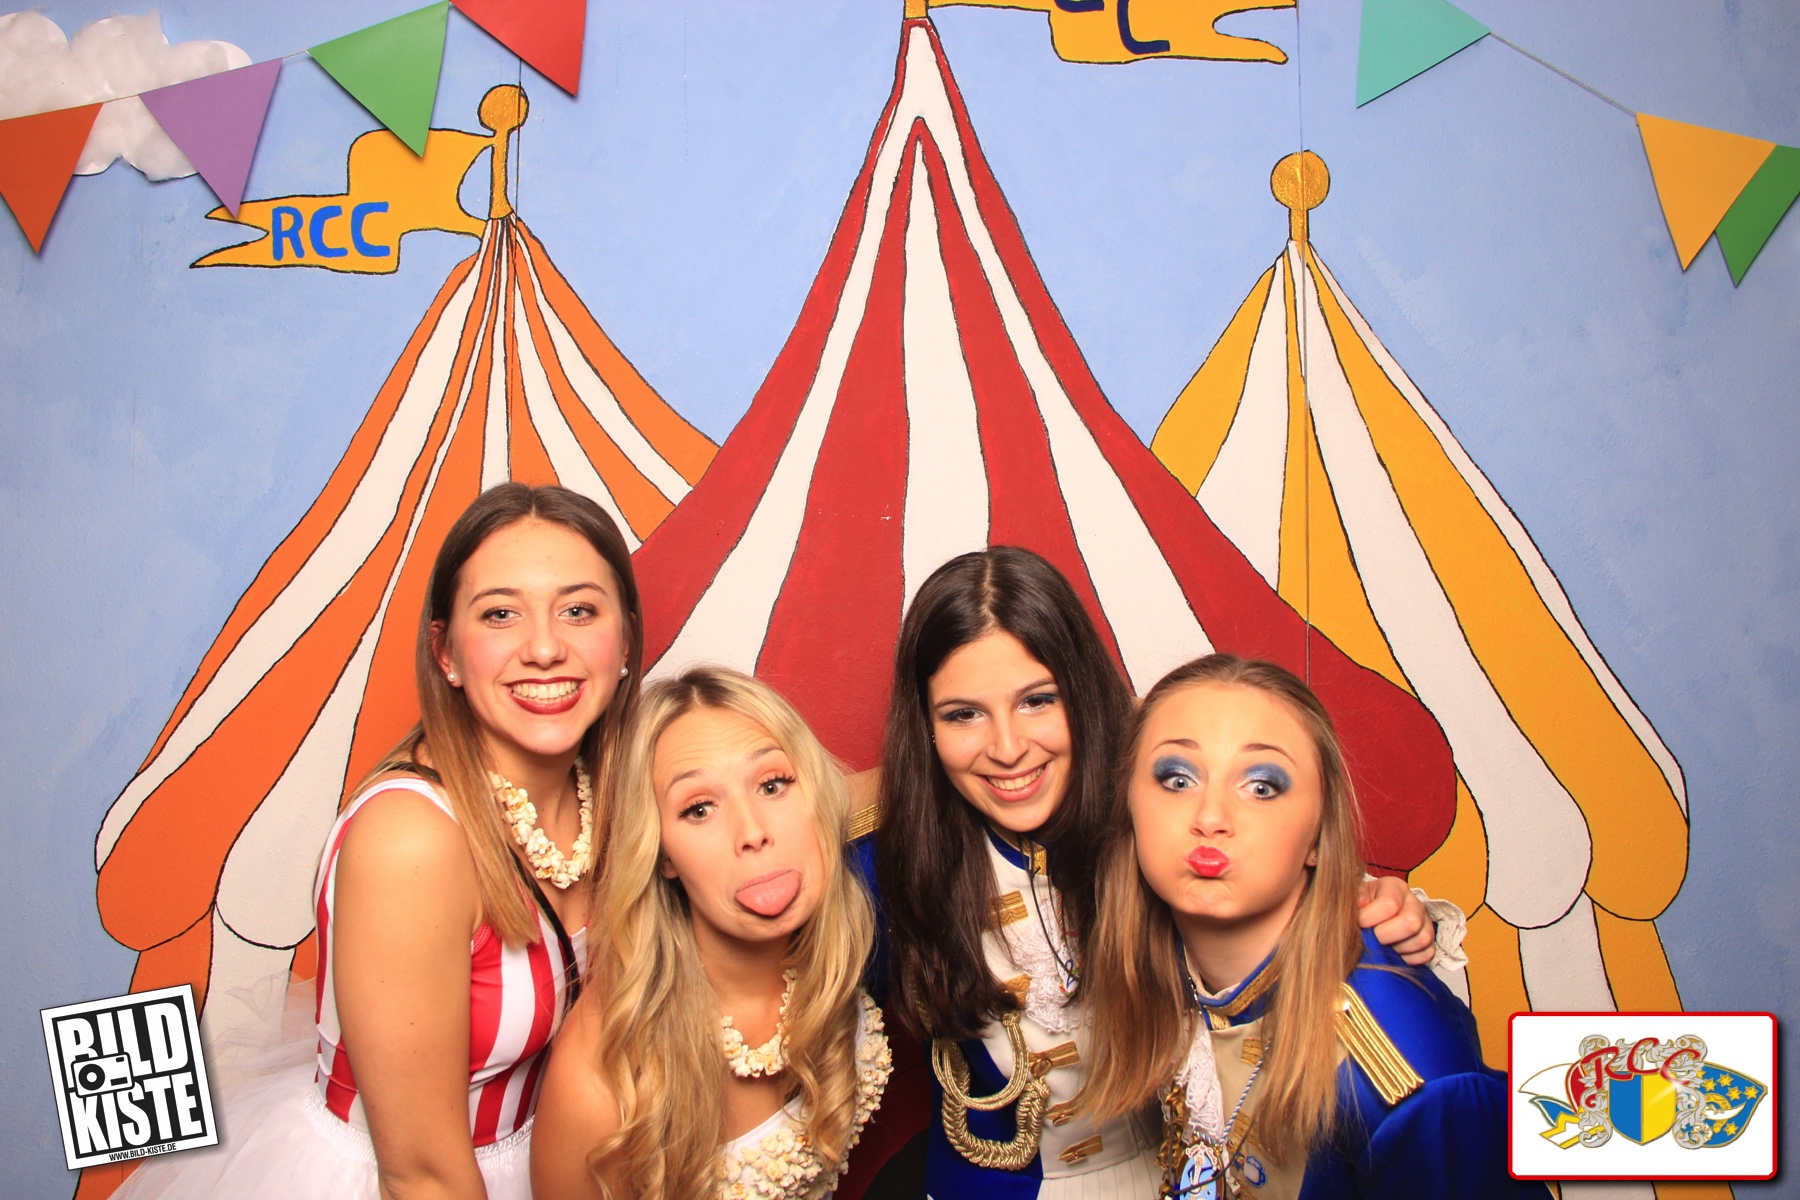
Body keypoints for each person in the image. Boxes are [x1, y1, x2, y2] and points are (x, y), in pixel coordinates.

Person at [118, 482, 642, 1200]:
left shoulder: (620, 798)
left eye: (578, 610)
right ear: (445, 652)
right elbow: (420, 1176)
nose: (546, 647)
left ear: (624, 641)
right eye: (500, 613)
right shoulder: (410, 840)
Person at [873, 547, 1447, 1199]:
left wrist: (1378, 909)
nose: (1008, 748)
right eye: (963, 714)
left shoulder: (1164, 804)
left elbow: (1277, 866)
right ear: (924, 725)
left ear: (1082, 694)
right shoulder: (888, 857)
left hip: (1175, 1174)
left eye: (1038, 700)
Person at [1081, 654, 1546, 1198]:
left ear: (1320, 837)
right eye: (1177, 779)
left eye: (1261, 787)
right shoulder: (1168, 965)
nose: (1209, 817)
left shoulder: (1396, 1071)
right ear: (1128, 806)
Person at [531, 666, 893, 1200]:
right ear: (661, 854)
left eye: (773, 785)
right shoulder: (608, 1075)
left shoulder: (844, 940)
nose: (752, 832)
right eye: (699, 809)